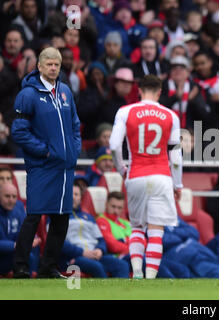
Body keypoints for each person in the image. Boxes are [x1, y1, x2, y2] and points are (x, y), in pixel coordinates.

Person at [11, 47, 81, 278]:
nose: (53, 68)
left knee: (61, 218)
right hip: (42, 166)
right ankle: (20, 266)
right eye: (49, 64)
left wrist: (73, 150)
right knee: (34, 215)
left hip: (64, 168)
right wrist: (46, 152)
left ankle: (47, 267)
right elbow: (19, 132)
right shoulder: (28, 94)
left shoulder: (65, 92)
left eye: (57, 65)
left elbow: (75, 126)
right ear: (39, 66)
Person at [109, 74, 183, 279]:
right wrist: (178, 184)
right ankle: (150, 278)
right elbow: (175, 156)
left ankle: (138, 272)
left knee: (137, 227)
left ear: (139, 90)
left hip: (136, 174)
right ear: (160, 92)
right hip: (161, 176)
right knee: (156, 230)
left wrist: (121, 168)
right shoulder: (171, 116)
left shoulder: (125, 112)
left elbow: (114, 145)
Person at [60, 184, 129, 278]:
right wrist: (82, 252)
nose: (73, 197)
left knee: (122, 265)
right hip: (74, 257)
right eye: (70, 194)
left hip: (94, 255)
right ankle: (105, 292)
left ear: (81, 198)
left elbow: (101, 239)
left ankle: (124, 292)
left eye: (76, 194)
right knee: (97, 267)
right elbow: (58, 242)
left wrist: (100, 250)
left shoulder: (89, 217)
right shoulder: (58, 217)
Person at [0, 183, 40, 276]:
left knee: (32, 244)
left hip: (13, 254)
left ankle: (34, 274)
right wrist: (17, 245)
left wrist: (33, 239)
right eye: (7, 196)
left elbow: (25, 231)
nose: (11, 200)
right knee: (25, 254)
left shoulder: (18, 209)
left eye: (14, 197)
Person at [96, 191, 131, 257]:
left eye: (119, 208)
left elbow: (143, 241)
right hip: (116, 257)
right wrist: (133, 248)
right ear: (106, 204)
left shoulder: (126, 222)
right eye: (113, 206)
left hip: (129, 254)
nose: (116, 211)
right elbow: (113, 246)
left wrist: (123, 241)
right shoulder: (102, 221)